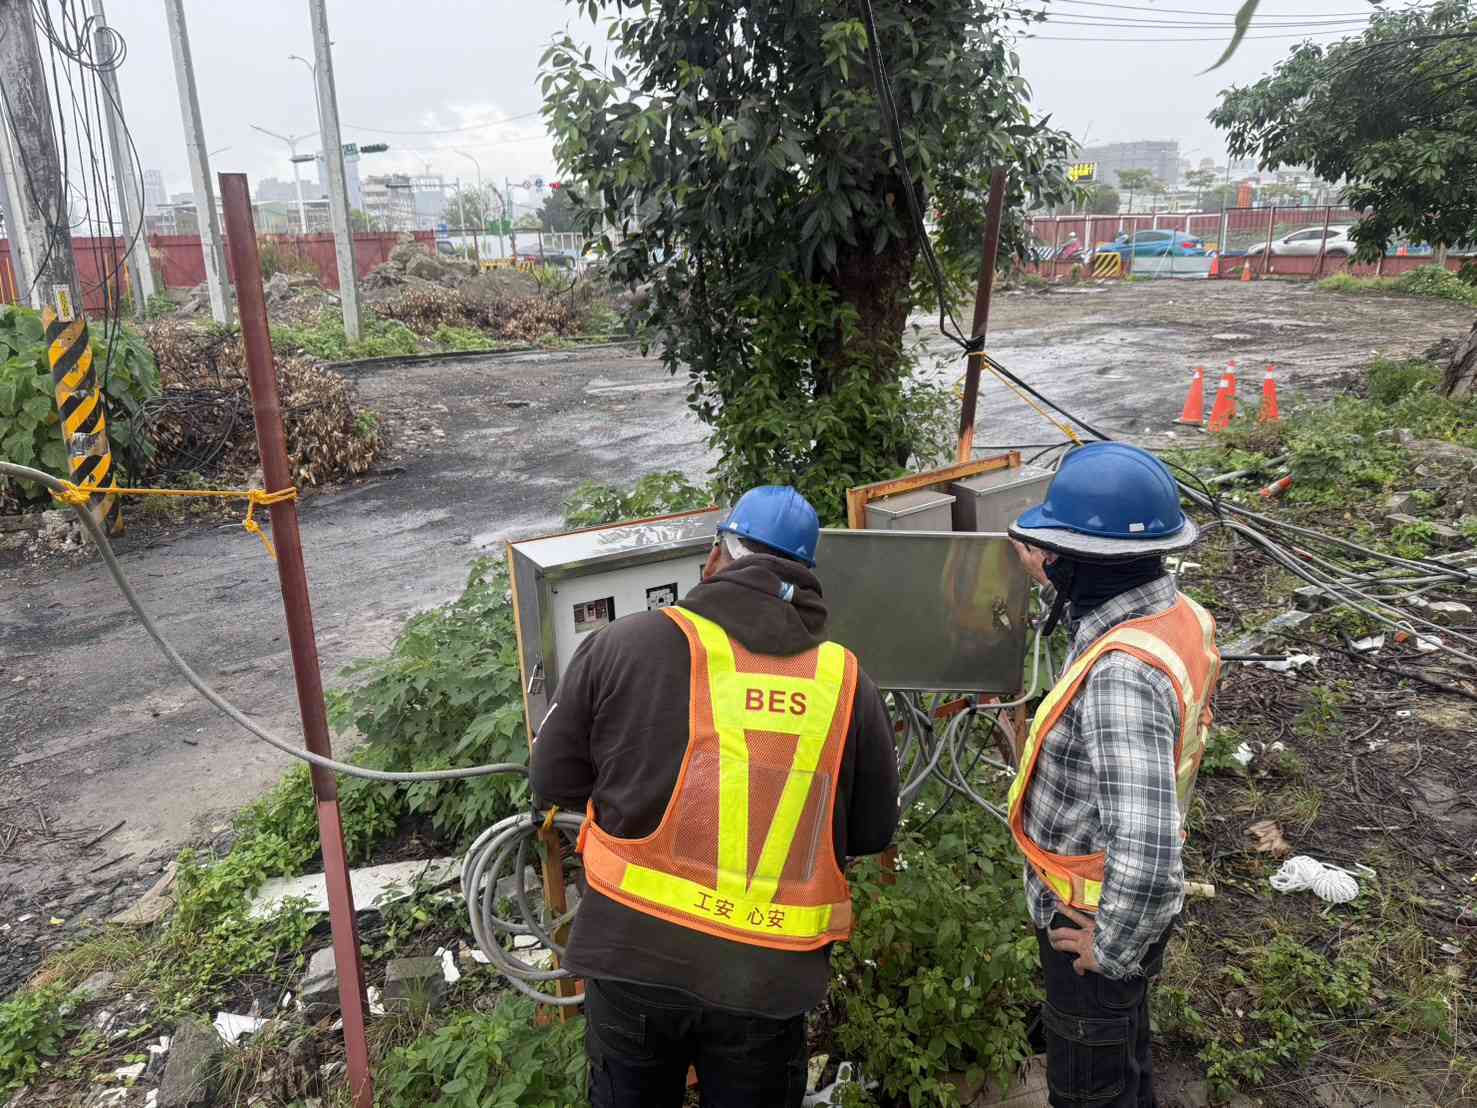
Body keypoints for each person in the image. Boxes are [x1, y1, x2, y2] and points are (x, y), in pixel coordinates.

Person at [531, 486, 900, 1108]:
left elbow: (554, 781)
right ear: (807, 576)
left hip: (634, 957)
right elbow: (870, 831)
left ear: (715, 556)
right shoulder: (845, 681)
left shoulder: (624, 644)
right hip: (767, 977)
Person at [1005, 442, 1221, 1108]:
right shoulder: (1169, 614)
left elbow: (1151, 856)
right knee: (1124, 1055)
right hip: (1114, 902)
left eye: (1051, 549)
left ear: (1080, 563)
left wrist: (1113, 948)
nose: (1038, 558)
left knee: (1090, 1088)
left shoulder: (1122, 674)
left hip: (1092, 920)